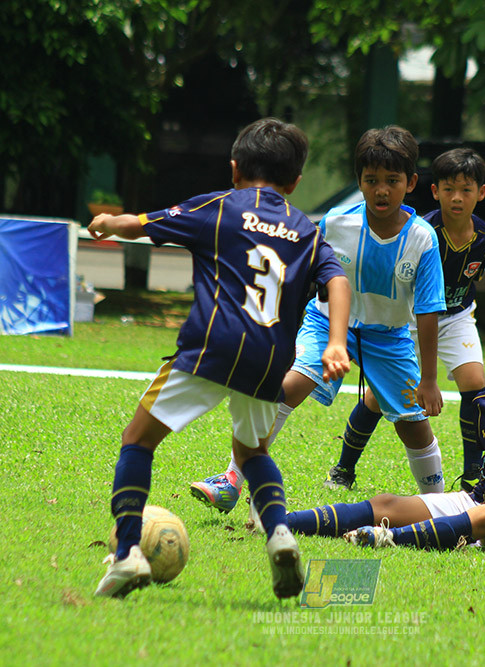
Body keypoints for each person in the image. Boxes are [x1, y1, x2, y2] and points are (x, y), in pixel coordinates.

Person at [88, 118, 351, 600]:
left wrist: (107, 224)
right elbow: (337, 280)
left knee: (137, 440)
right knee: (253, 453)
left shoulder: (218, 206)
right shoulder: (307, 231)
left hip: (213, 348)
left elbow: (139, 224)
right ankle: (279, 534)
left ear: (235, 170)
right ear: (294, 183)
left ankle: (127, 553)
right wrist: (336, 342)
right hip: (271, 360)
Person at [189, 124, 448, 513]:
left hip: (389, 338)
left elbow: (428, 313)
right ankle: (230, 480)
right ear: (358, 181)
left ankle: (442, 507)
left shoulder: (423, 239)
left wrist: (429, 380)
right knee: (285, 387)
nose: (381, 190)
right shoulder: (335, 224)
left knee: (412, 425)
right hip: (327, 323)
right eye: (371, 179)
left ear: (410, 183)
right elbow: (302, 280)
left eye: (392, 181)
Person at [279, 316, 485, 555]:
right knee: (386, 502)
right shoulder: (482, 404)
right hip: (478, 501)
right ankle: (282, 521)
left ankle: (389, 538)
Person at [325, 147, 485, 493]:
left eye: (466, 190)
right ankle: (343, 468)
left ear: (481, 193)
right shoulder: (424, 230)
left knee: (475, 385)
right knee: (378, 397)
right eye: (448, 189)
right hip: (409, 320)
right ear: (434, 192)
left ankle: (473, 477)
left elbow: (468, 283)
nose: (457, 198)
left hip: (457, 316)